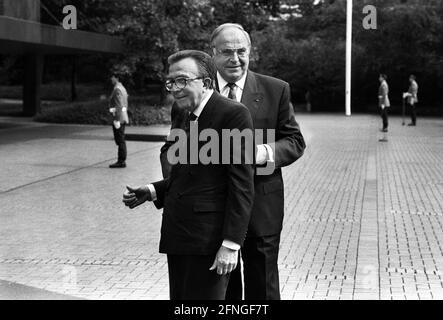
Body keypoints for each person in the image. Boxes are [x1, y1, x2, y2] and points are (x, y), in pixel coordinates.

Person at [161, 23, 306, 300]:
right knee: (222, 292)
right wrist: (176, 188)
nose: (235, 58)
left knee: (261, 288)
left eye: (242, 51)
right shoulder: (192, 90)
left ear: (250, 52)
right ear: (213, 53)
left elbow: (295, 141)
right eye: (227, 52)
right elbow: (173, 150)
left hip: (261, 209)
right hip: (210, 216)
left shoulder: (276, 90)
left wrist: (260, 153)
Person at [122, 50, 255, 300]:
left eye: (182, 80)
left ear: (205, 83)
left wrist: (231, 244)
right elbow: (191, 173)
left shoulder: (234, 114)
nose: (174, 88)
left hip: (210, 241)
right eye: (171, 82)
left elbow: (241, 185)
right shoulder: (180, 111)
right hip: (178, 234)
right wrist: (153, 191)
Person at [109, 73, 129, 168]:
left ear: (116, 78)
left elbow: (119, 105)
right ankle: (121, 160)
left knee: (120, 140)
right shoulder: (122, 88)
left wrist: (117, 119)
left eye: (112, 77)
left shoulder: (117, 89)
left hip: (119, 118)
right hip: (123, 116)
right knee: (121, 139)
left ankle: (121, 161)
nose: (111, 79)